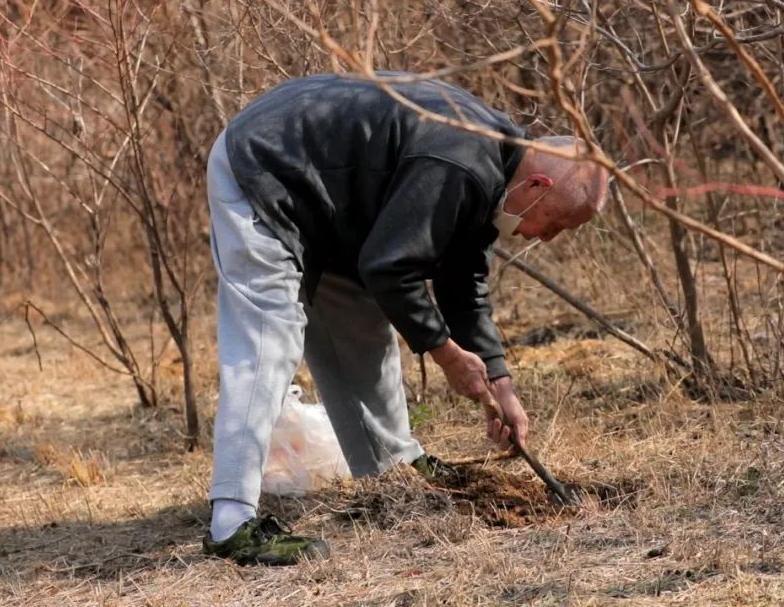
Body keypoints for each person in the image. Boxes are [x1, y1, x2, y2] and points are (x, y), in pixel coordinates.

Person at [202, 72, 609, 566]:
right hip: (264, 167)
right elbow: (390, 268)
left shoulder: (494, 166)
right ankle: (231, 522)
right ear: (538, 185)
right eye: (557, 223)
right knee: (270, 339)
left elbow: (462, 280)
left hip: (331, 206)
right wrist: (445, 353)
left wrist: (500, 383)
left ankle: (393, 468)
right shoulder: (457, 161)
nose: (547, 238)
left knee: (359, 324)